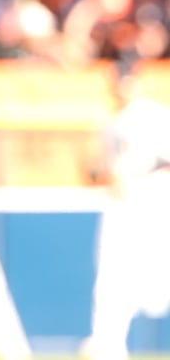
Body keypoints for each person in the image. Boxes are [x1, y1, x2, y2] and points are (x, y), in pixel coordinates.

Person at [83, 59, 170, 360]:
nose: (119, 88)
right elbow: (96, 170)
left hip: (152, 197)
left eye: (124, 81)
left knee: (155, 283)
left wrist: (145, 181)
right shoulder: (110, 122)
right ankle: (107, 346)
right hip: (120, 200)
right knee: (112, 277)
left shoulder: (153, 115)